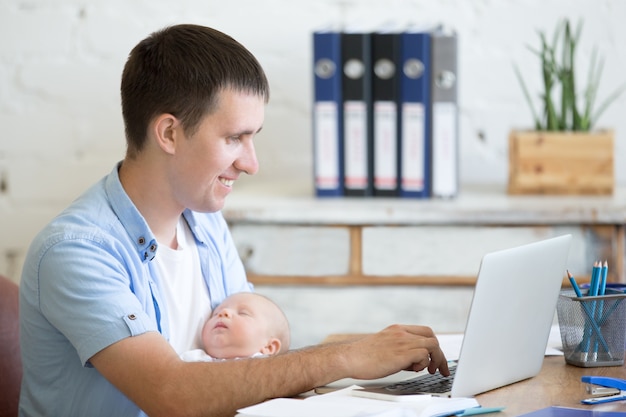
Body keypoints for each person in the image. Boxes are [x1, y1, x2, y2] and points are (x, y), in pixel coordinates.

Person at [19, 23, 449, 417]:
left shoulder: (203, 222)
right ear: (168, 133)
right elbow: (170, 393)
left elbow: (250, 363)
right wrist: (342, 357)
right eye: (233, 138)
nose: (251, 163)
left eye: (252, 138)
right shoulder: (76, 250)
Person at [181, 292, 290, 361]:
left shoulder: (268, 371)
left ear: (269, 347)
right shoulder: (192, 360)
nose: (223, 312)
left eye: (243, 313)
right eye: (215, 313)